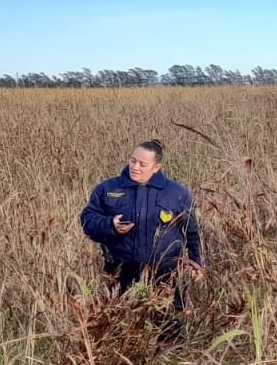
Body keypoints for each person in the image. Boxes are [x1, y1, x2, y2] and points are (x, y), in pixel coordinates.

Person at [79, 140, 204, 338]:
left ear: (157, 167)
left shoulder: (177, 193)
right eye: (132, 161)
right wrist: (111, 225)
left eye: (142, 164)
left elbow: (194, 231)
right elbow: (88, 221)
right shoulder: (108, 188)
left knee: (169, 324)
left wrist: (198, 261)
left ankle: (170, 360)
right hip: (121, 270)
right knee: (117, 324)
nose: (135, 167)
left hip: (165, 272)